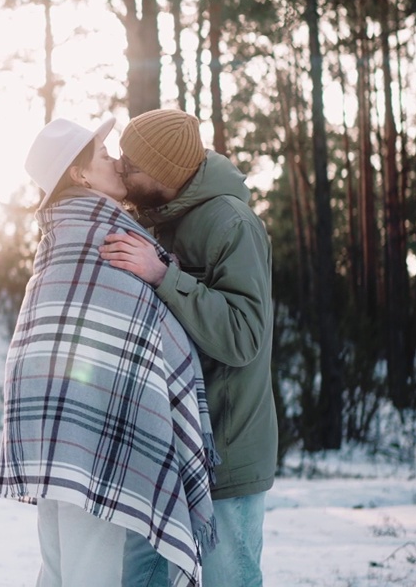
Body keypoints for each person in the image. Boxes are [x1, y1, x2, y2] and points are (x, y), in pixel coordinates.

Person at [0, 116, 218, 587]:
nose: (117, 161)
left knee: (60, 569)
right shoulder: (106, 240)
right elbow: (149, 333)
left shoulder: (62, 238)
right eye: (102, 155)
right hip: (91, 430)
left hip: (53, 429)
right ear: (80, 176)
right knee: (89, 572)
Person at [100, 109, 277, 587]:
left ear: (165, 174)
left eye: (132, 164)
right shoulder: (156, 219)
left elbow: (245, 338)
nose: (120, 167)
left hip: (225, 447)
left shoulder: (231, 224)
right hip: (162, 449)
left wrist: (164, 276)